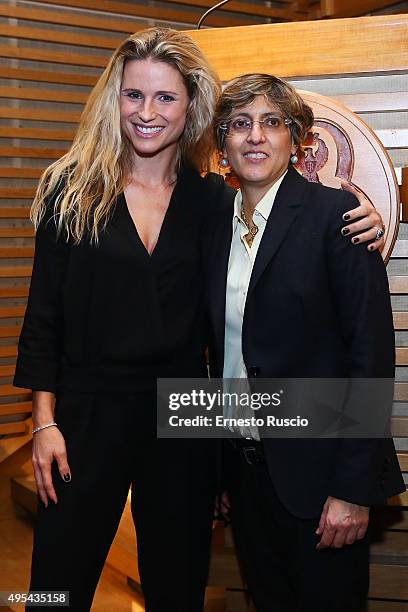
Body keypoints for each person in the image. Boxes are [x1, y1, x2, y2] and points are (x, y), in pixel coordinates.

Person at [13, 26, 384, 611]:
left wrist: (355, 205)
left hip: (185, 413)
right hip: (88, 411)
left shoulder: (212, 200)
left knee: (178, 583)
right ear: (115, 99)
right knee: (56, 582)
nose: (147, 112)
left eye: (165, 98)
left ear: (190, 110)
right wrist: (43, 421)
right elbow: (43, 318)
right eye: (134, 95)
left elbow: (283, 216)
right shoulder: (71, 190)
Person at [204, 73, 405, 612]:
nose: (255, 137)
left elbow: (370, 358)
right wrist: (223, 467)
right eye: (240, 124)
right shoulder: (211, 228)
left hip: (322, 481)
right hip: (245, 476)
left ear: (298, 141)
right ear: (221, 143)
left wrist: (352, 488)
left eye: (273, 123)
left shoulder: (337, 217)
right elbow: (220, 354)